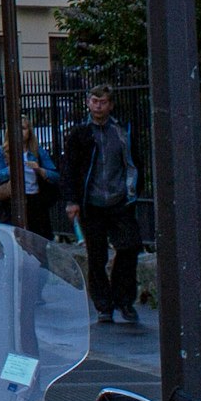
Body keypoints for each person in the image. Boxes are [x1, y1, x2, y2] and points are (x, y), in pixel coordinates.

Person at [55, 85, 144, 326]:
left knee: (129, 247)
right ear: (88, 102)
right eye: (94, 101)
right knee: (96, 255)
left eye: (103, 102)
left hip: (119, 200)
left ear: (110, 105)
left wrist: (132, 191)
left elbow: (134, 162)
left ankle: (124, 300)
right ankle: (103, 305)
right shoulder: (80, 133)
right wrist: (72, 200)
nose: (98, 106)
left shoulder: (121, 131)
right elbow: (69, 168)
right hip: (92, 203)